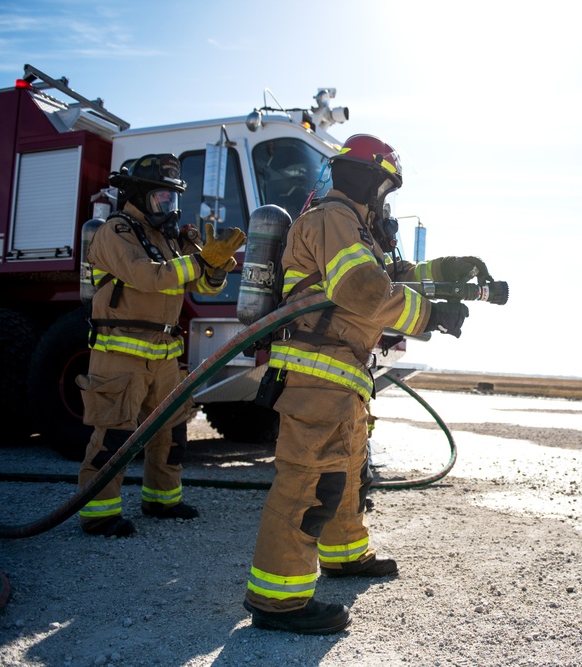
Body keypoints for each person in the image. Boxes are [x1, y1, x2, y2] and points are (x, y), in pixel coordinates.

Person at [244, 134, 492, 635]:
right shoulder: (334, 219)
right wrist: (429, 315)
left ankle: (346, 555)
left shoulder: (353, 229)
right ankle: (277, 601)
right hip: (319, 372)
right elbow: (363, 289)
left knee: (347, 472)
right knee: (308, 482)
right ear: (373, 182)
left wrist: (452, 269)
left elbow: (397, 273)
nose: (386, 201)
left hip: (342, 372)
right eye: (386, 188)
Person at [77, 154, 247, 537]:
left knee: (171, 431)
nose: (168, 207)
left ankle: (162, 500)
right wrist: (200, 264)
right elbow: (148, 277)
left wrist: (215, 270)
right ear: (138, 195)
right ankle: (99, 513)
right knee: (115, 434)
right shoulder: (115, 233)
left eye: (172, 200)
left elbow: (201, 286)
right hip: (120, 352)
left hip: (165, 354)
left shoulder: (170, 236)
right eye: (161, 198)